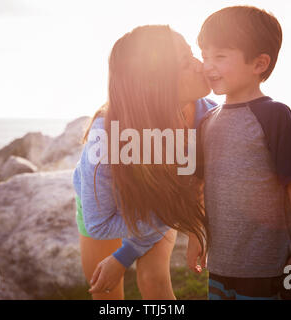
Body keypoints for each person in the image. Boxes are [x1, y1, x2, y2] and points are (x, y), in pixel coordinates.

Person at [72, 25, 215, 300]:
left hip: (162, 203)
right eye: (186, 63)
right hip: (111, 206)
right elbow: (99, 224)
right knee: (104, 290)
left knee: (153, 280)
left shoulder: (208, 116)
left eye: (193, 55)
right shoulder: (106, 136)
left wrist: (198, 232)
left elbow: (196, 185)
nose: (200, 66)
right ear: (157, 83)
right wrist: (124, 255)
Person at [187, 6, 291, 300]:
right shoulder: (207, 121)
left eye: (220, 56)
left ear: (259, 63)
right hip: (220, 265)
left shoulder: (275, 115)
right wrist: (195, 235)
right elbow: (198, 184)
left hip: (268, 268)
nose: (208, 65)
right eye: (205, 55)